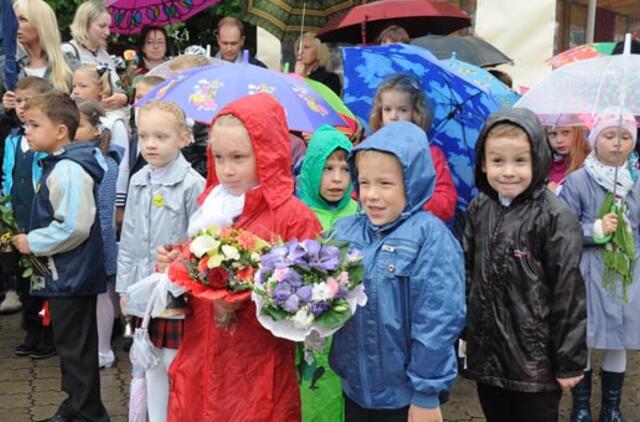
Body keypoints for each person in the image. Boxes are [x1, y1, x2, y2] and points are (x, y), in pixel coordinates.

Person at [158, 93, 321, 421]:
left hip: (255, 361)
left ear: (268, 153)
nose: (227, 170)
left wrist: (253, 298)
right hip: (202, 349)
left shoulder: (291, 216)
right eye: (219, 157)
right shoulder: (212, 203)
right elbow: (197, 262)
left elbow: (310, 297)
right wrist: (175, 261)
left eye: (239, 157)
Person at [328, 121, 464, 422]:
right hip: (355, 389)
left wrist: (426, 394)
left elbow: (438, 321)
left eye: (385, 184)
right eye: (365, 183)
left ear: (412, 182)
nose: (372, 195)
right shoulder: (345, 230)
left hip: (404, 397)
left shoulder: (430, 237)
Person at [463, 108, 587, 422]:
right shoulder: (479, 208)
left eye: (520, 161)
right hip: (489, 357)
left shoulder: (554, 216)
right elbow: (466, 273)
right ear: (483, 163)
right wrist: (465, 331)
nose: (508, 172)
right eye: (497, 161)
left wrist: (569, 360)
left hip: (535, 364)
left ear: (538, 160)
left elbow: (568, 292)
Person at [12, 92, 109, 422]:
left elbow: (74, 227)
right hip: (66, 274)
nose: (27, 131)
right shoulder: (60, 163)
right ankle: (77, 406)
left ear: (61, 131)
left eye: (35, 124)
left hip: (72, 274)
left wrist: (33, 241)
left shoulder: (68, 170)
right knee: (70, 346)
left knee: (76, 348)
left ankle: (88, 413)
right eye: (26, 124)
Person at [117, 99, 204, 422]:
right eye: (144, 136)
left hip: (174, 293)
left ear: (183, 138)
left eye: (161, 136)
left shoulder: (192, 184)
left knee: (174, 364)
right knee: (149, 362)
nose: (150, 144)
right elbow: (127, 241)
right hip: (143, 290)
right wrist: (125, 289)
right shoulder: (139, 179)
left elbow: (199, 243)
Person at [559, 108, 640, 422]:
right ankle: (581, 406)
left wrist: (626, 233)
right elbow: (563, 228)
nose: (617, 144)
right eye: (609, 136)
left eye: (624, 137)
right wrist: (596, 229)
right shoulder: (578, 180)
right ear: (595, 140)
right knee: (587, 337)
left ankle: (612, 406)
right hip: (589, 271)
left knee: (619, 337)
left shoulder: (635, 182)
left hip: (625, 272)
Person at [295, 124, 357, 422]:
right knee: (312, 392)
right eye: (327, 167)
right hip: (306, 329)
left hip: (350, 329)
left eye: (345, 169)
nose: (337, 178)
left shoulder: (360, 214)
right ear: (311, 168)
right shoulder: (297, 213)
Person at [2, 76, 54, 359]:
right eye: (19, 101)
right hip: (16, 219)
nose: (22, 107)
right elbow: (6, 176)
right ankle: (32, 331)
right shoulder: (13, 139)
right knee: (24, 283)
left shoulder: (44, 142)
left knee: (43, 279)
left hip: (40, 219)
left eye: (28, 101)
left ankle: (48, 334)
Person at [369, 74, 458, 223]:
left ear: (415, 114)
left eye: (403, 110)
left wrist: (409, 198)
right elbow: (356, 194)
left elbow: (446, 204)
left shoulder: (431, 155)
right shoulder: (370, 151)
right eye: (387, 109)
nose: (394, 116)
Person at [75, 100, 121, 369]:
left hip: (98, 241)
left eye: (79, 125)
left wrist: (102, 249)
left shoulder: (103, 163)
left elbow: (104, 212)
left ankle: (104, 350)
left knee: (103, 294)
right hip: (88, 242)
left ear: (95, 129)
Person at [72, 64, 130, 220]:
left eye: (83, 86)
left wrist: (119, 203)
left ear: (100, 89)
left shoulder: (113, 121)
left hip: (106, 193)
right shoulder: (74, 116)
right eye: (74, 86)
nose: (76, 91)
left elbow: (122, 165)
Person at [2, 0, 76, 113]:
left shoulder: (68, 64)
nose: (15, 25)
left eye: (23, 19)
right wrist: (4, 108)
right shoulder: (5, 65)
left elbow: (86, 107)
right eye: (14, 19)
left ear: (41, 25)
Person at [62, 0, 128, 111]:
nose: (107, 32)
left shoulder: (104, 55)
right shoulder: (67, 52)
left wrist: (124, 97)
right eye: (102, 26)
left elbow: (117, 87)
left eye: (108, 27)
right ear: (85, 24)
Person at [546, 125, 589, 193]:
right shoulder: (543, 165)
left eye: (566, 132)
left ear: (577, 133)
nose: (559, 140)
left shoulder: (589, 165)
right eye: (553, 134)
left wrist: (559, 192)